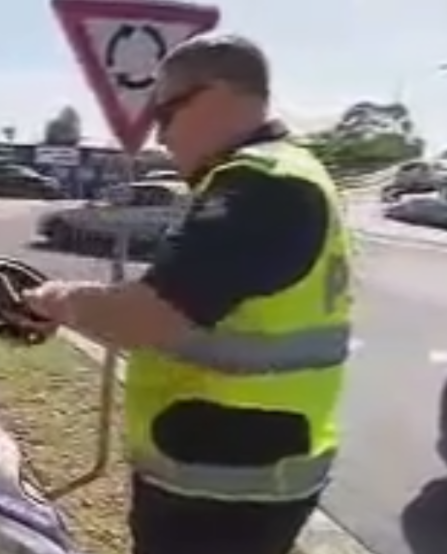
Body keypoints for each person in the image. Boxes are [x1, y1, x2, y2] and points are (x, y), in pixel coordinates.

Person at [22, 35, 353, 554]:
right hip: (245, 474)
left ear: (217, 95)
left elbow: (147, 317)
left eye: (166, 111)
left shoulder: (261, 188)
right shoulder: (287, 175)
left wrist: (56, 299)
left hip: (222, 493)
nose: (159, 134)